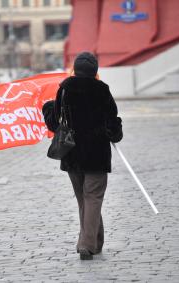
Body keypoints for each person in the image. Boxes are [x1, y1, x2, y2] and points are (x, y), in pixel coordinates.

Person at [42, 52, 123, 260]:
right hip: (96, 154)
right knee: (93, 198)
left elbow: (54, 123)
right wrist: (115, 131)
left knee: (84, 201)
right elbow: (113, 124)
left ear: (75, 69)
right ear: (95, 71)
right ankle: (86, 245)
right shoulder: (102, 90)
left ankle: (95, 242)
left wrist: (48, 108)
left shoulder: (65, 88)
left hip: (73, 154)